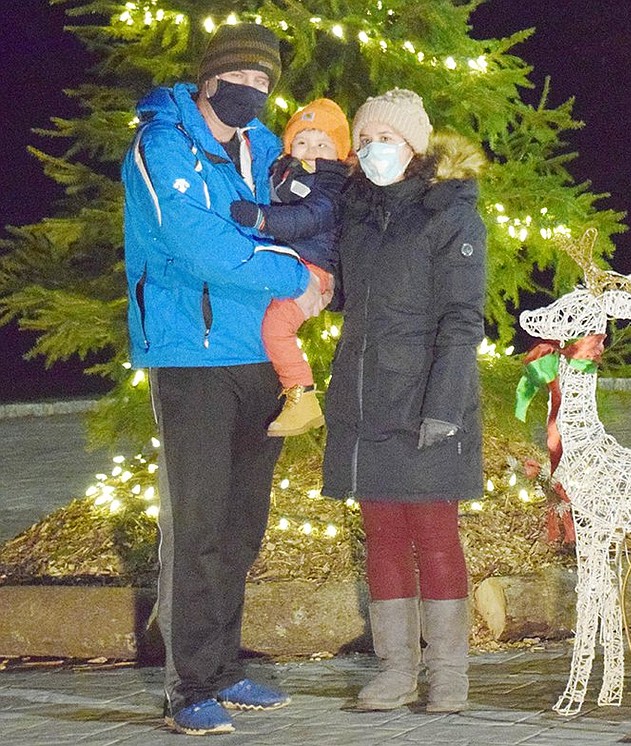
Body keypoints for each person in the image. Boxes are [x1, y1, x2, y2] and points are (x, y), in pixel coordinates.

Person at [121, 23, 329, 735]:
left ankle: (224, 667)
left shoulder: (266, 147)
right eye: (242, 80)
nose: (254, 94)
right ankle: (188, 687)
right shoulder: (163, 144)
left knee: (241, 525)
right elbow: (197, 242)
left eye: (266, 84)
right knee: (198, 525)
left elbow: (299, 220)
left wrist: (316, 270)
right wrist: (295, 275)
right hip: (191, 357)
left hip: (259, 358)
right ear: (210, 77)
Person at [321, 89, 487, 713]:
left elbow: (462, 320)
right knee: (383, 536)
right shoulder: (356, 215)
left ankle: (449, 675)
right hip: (366, 401)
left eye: (385, 139)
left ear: (414, 146)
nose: (372, 151)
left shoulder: (450, 214)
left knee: (435, 535)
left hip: (426, 401)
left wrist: (443, 407)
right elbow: (337, 291)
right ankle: (395, 671)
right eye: (363, 141)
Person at [229, 98, 350, 437]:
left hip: (313, 269)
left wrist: (262, 218)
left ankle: (303, 396)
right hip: (289, 263)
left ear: (338, 150)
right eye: (302, 141)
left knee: (276, 329)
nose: (311, 150)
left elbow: (308, 218)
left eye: (323, 143)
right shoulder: (284, 171)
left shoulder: (331, 185)